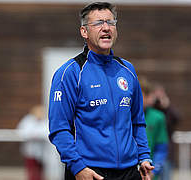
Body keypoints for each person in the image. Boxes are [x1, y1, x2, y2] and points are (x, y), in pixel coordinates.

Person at [48, 2, 154, 180]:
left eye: (110, 22)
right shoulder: (69, 73)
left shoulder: (127, 70)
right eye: (98, 23)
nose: (106, 28)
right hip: (90, 172)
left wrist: (143, 156)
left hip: (130, 172)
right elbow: (59, 129)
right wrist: (78, 167)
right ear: (84, 32)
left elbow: (137, 121)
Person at [140, 77, 168, 180]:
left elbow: (161, 149)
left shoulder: (158, 117)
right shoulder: (123, 116)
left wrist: (154, 170)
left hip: (148, 174)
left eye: (140, 95)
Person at [152, 84, 180, 180]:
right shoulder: (151, 111)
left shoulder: (167, 111)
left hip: (167, 153)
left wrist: (167, 107)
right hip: (152, 152)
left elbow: (177, 119)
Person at [17, 105, 48, 180]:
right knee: (31, 170)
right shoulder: (27, 120)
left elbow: (46, 133)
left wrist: (36, 135)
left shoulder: (45, 121)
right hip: (30, 150)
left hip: (42, 151)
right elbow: (22, 132)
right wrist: (35, 135)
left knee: (40, 170)